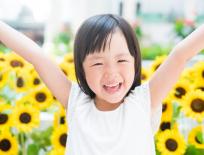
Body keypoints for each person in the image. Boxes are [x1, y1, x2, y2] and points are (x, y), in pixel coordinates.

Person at [0, 14, 204, 155]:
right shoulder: (75, 102)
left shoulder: (144, 101)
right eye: (98, 63)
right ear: (81, 68)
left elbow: (180, 54)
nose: (111, 73)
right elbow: (36, 56)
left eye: (121, 60)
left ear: (135, 61)